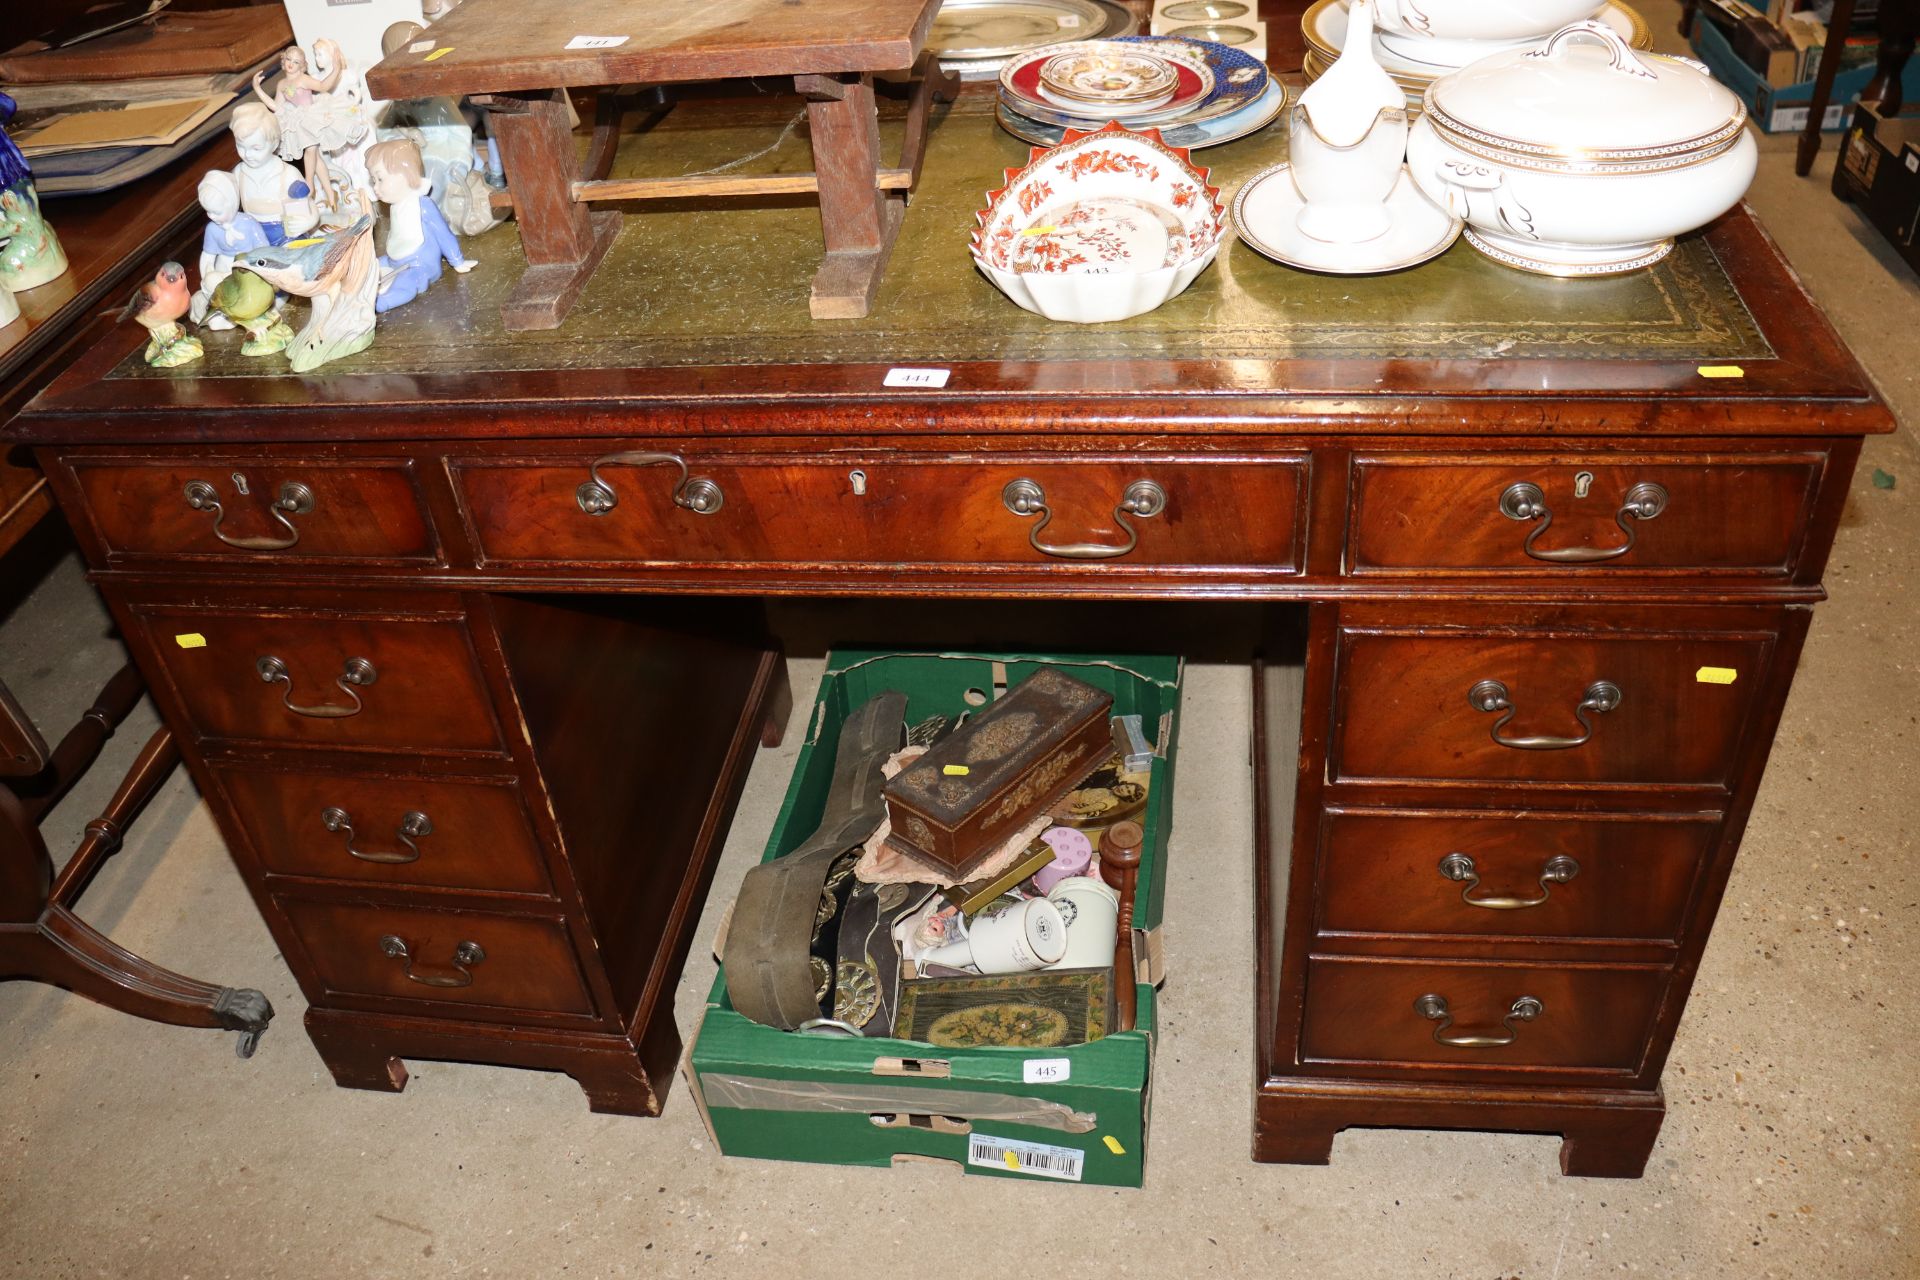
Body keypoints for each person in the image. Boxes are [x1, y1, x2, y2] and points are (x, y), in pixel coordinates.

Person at [252, 40, 369, 211]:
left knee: (310, 150)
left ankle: (309, 184)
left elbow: (323, 86)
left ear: (302, 66)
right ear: (283, 61)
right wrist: (258, 88)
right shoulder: (282, 84)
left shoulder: (304, 79)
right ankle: (330, 193)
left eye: (296, 62)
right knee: (318, 159)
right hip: (296, 121)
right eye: (289, 60)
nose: (291, 64)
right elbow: (277, 106)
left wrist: (336, 69)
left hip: (312, 117)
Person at [366, 138, 475, 313]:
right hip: (394, 258)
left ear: (405, 175)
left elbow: (443, 234)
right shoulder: (396, 205)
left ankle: (379, 304)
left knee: (407, 284)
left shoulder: (422, 205)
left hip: (419, 265)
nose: (376, 187)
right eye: (374, 181)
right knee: (369, 265)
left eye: (380, 179)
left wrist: (457, 260)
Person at [190, 171, 271, 327]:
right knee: (214, 283)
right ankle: (223, 313)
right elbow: (207, 257)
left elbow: (264, 250)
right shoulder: (212, 229)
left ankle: (247, 313)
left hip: (246, 271)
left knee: (247, 293)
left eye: (217, 212)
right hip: (224, 270)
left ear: (232, 203)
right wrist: (206, 276)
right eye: (208, 212)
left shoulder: (248, 223)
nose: (212, 216)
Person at [228, 103, 306, 245]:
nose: (247, 154)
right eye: (240, 146)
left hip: (285, 235)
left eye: (256, 148)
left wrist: (306, 222)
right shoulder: (239, 173)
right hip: (252, 235)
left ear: (274, 144)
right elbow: (227, 204)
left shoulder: (288, 174)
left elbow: (306, 207)